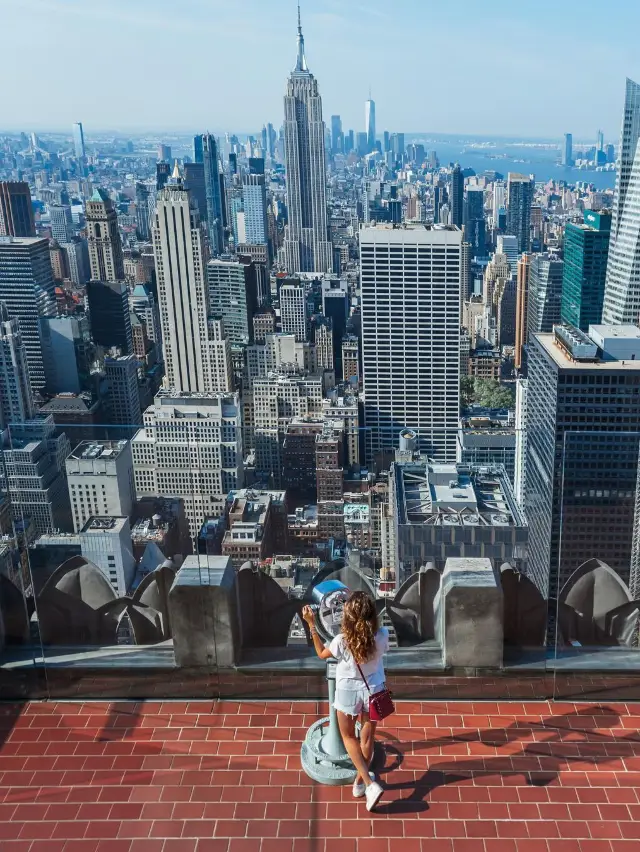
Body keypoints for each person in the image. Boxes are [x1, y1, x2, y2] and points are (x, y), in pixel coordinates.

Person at [302, 591, 388, 811]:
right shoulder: (382, 635)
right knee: (367, 739)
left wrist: (312, 624)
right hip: (374, 689)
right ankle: (360, 782)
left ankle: (369, 784)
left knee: (348, 736)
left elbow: (321, 652)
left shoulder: (341, 641)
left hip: (348, 690)